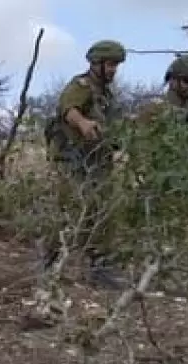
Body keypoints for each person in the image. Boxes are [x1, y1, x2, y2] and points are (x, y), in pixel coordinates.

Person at [43, 40, 127, 288]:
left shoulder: (106, 94)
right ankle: (49, 263)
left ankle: (100, 267)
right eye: (109, 64)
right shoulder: (80, 85)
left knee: (103, 213)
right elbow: (68, 108)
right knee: (68, 212)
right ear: (95, 64)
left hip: (98, 162)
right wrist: (82, 123)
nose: (113, 70)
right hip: (74, 162)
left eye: (116, 65)